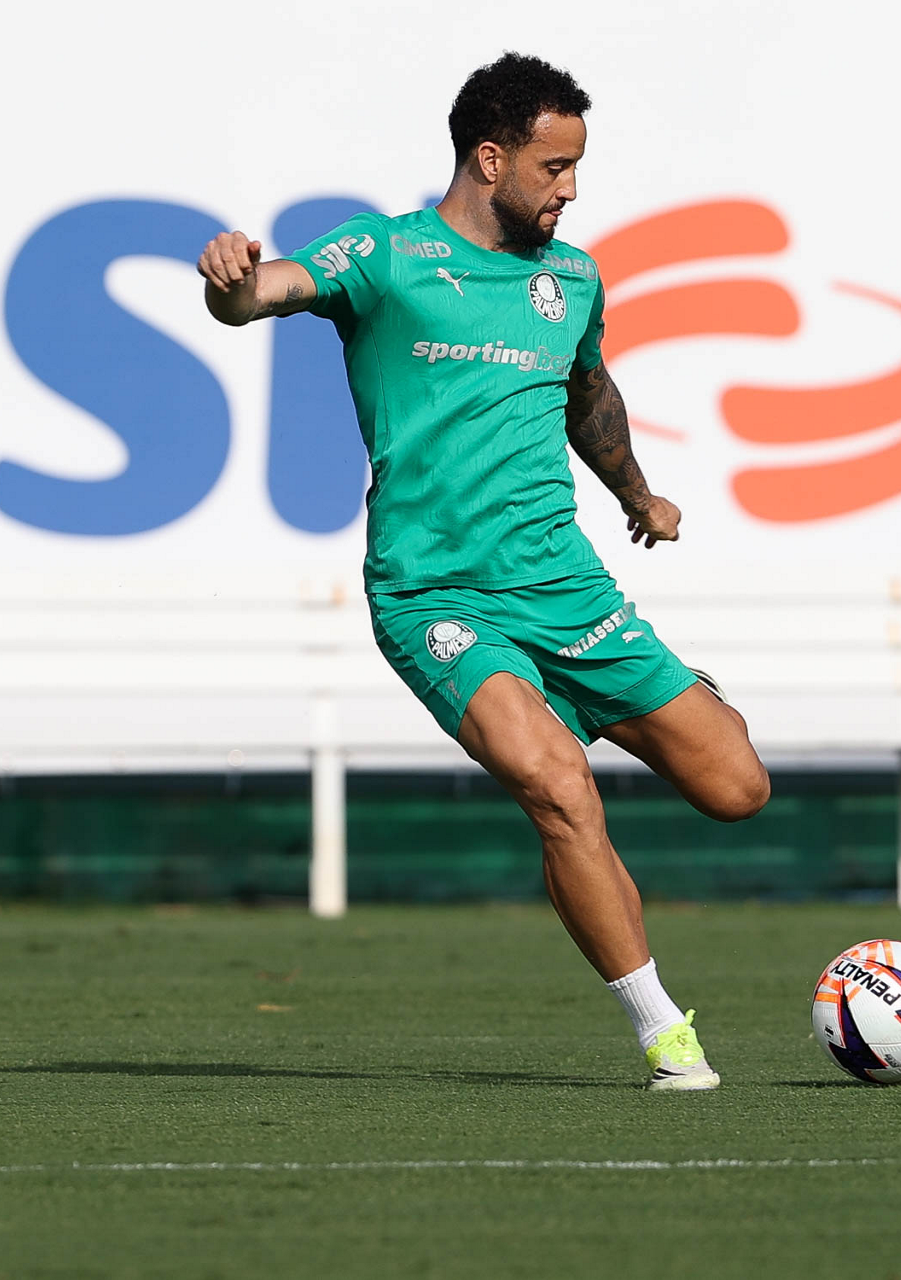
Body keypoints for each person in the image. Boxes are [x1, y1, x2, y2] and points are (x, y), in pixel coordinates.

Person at [198, 52, 770, 1090]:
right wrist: (233, 284)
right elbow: (268, 293)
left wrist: (637, 493)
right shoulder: (384, 254)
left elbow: (586, 392)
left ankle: (649, 698)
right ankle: (662, 1033)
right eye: (554, 168)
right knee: (559, 787)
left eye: (576, 168)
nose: (571, 189)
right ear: (489, 156)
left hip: (567, 587)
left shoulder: (572, 277)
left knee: (736, 786)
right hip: (437, 596)